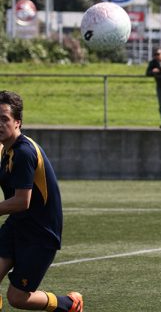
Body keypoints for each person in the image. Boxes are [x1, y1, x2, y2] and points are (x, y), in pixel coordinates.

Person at [0, 90, 83, 312]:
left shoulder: (24, 153)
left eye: (4, 119)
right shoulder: (5, 149)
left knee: (17, 298)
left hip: (39, 234)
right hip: (17, 226)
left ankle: (69, 304)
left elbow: (21, 202)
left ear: (17, 122)